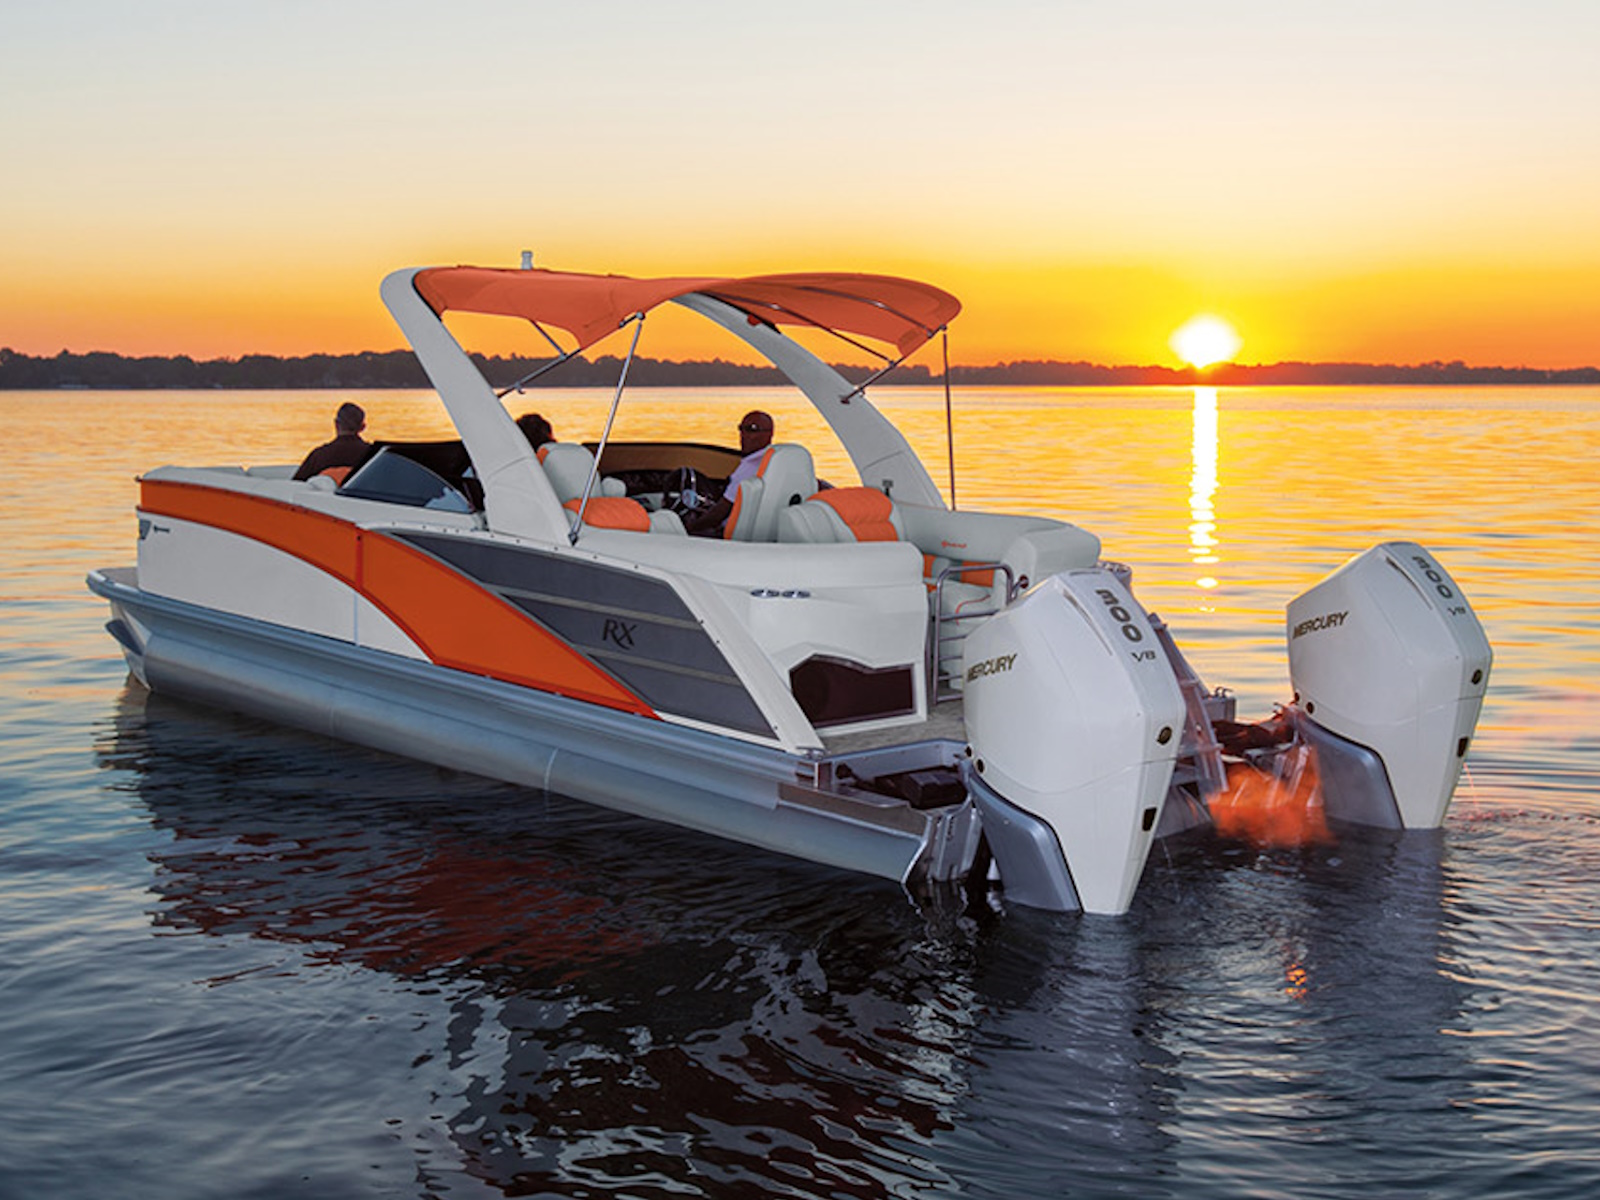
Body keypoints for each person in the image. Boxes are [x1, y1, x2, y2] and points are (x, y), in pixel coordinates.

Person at [684, 410, 774, 536]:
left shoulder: (750, 468)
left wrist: (688, 528)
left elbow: (719, 514)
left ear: (769, 434)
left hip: (729, 536)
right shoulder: (774, 462)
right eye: (741, 428)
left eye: (752, 429)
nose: (743, 434)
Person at [293, 401, 370, 482]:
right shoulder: (372, 457)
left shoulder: (319, 456)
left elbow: (297, 484)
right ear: (362, 427)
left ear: (336, 424)